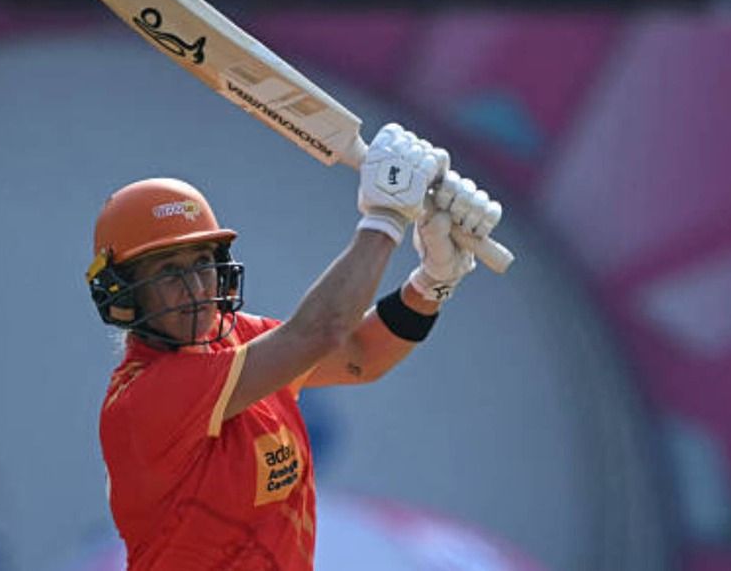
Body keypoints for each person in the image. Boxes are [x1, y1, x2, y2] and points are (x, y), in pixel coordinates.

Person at [86, 124, 502, 570]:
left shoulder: (237, 340)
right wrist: (386, 217)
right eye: (169, 271)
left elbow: (360, 355)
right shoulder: (146, 396)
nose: (195, 287)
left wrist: (434, 280)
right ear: (125, 294)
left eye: (202, 262)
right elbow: (321, 331)